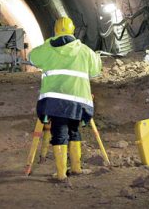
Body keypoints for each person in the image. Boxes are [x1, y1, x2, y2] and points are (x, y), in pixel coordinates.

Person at [28, 17, 102, 181]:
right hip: (79, 101)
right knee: (74, 130)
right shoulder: (85, 50)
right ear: (73, 30)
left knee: (59, 133)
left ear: (55, 30)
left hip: (55, 101)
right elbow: (97, 71)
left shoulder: (47, 49)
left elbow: (32, 57)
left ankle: (61, 174)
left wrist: (48, 43)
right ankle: (76, 168)